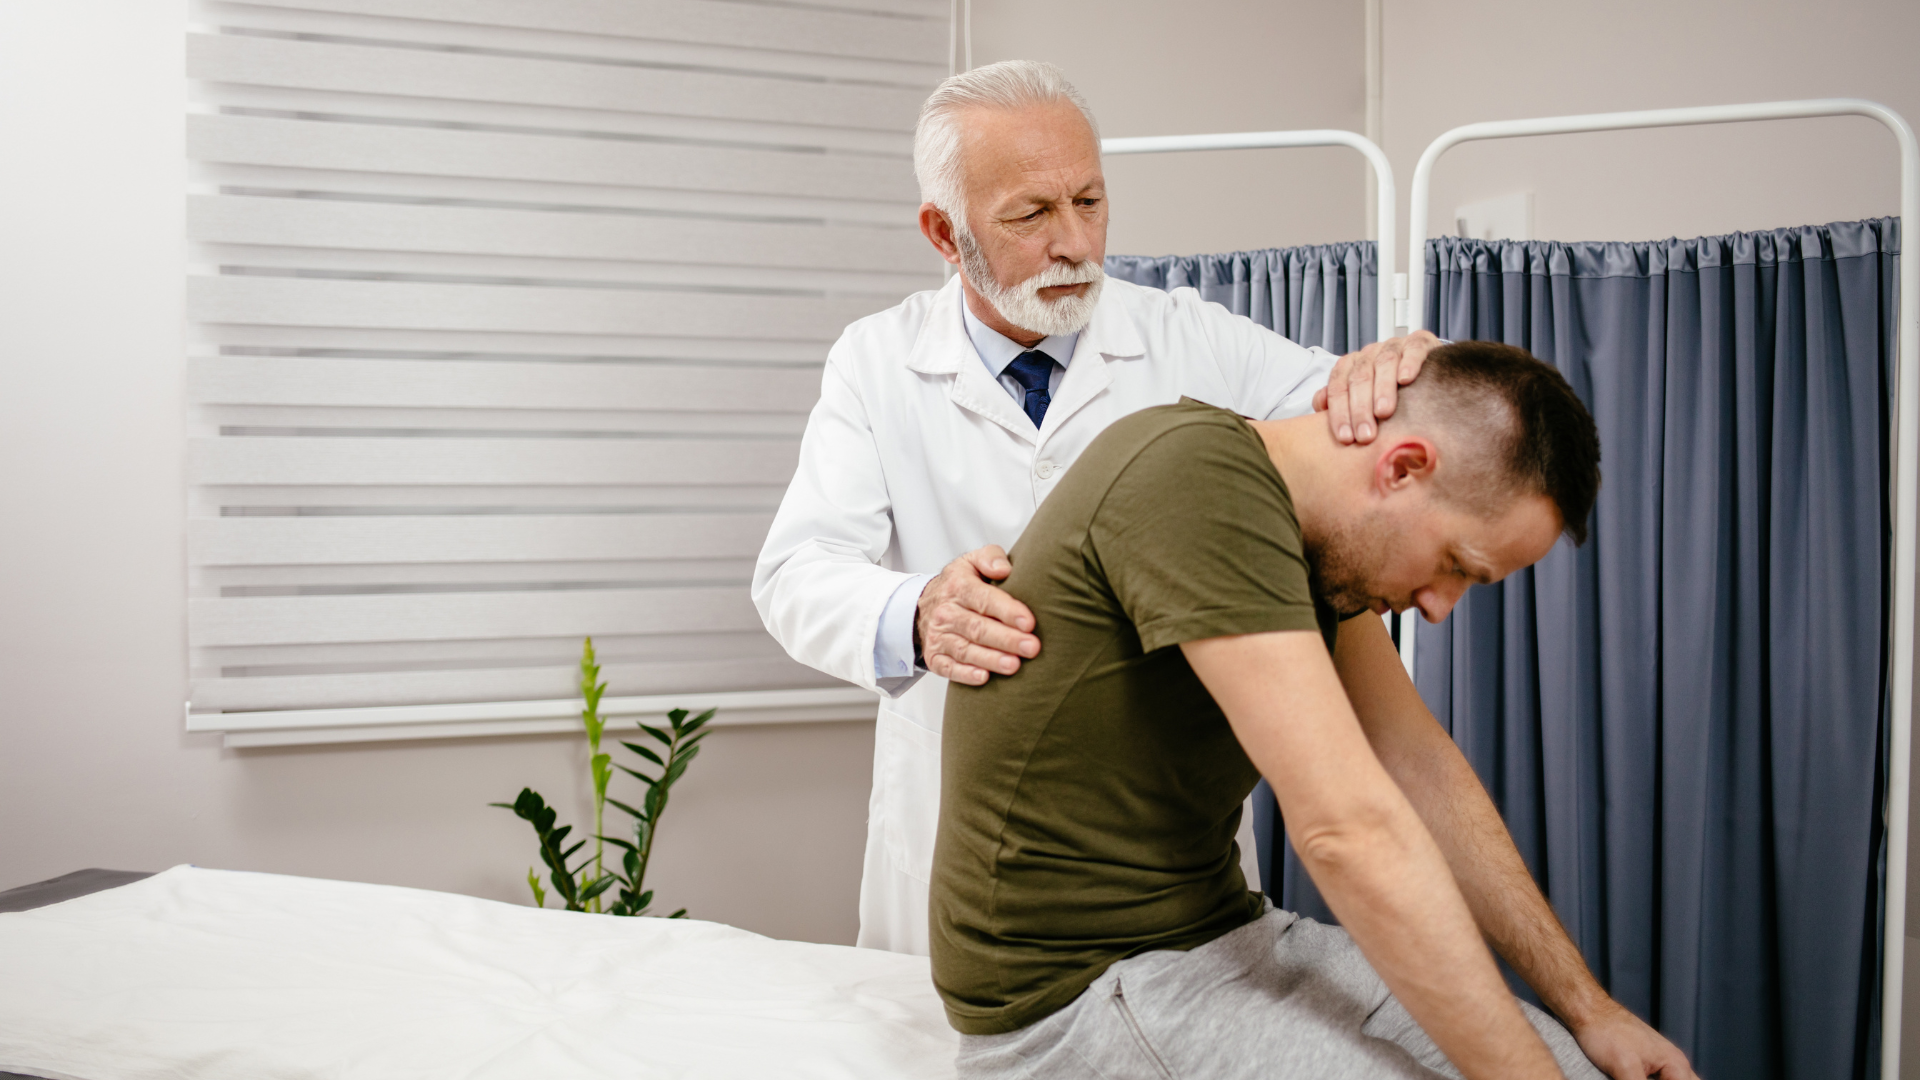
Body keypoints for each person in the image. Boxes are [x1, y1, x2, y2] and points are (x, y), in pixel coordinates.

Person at [752, 59, 1443, 956]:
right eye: (1033, 215)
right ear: (943, 231)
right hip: (960, 829)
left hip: (1163, 830)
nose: (1076, 243)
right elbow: (794, 574)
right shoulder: (876, 363)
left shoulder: (1188, 337)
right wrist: (918, 613)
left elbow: (1378, 423)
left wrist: (1411, 368)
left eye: (1090, 201)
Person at [931, 342, 1698, 1080]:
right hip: (1075, 1000)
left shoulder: (1309, 539)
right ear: (1402, 468)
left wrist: (1589, 1010)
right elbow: (1348, 831)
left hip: (1234, 939)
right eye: (1454, 566)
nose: (1438, 607)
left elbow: (1417, 764)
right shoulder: (1198, 480)